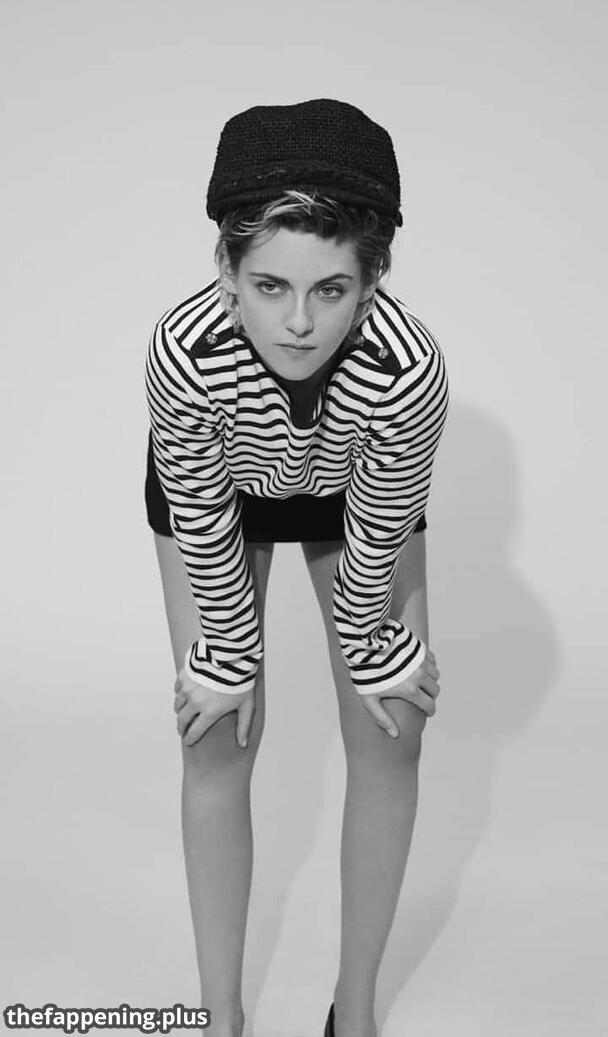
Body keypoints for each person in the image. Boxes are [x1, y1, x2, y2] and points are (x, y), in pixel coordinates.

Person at [144, 98, 449, 1037]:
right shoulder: (184, 354)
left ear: (372, 282)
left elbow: (383, 524)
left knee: (393, 722)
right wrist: (226, 658)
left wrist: (372, 645)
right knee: (217, 729)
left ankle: (352, 1012)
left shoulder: (408, 371)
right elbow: (199, 512)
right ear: (227, 270)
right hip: (218, 493)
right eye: (270, 286)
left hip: (354, 493)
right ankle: (220, 1017)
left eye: (331, 289)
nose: (300, 322)